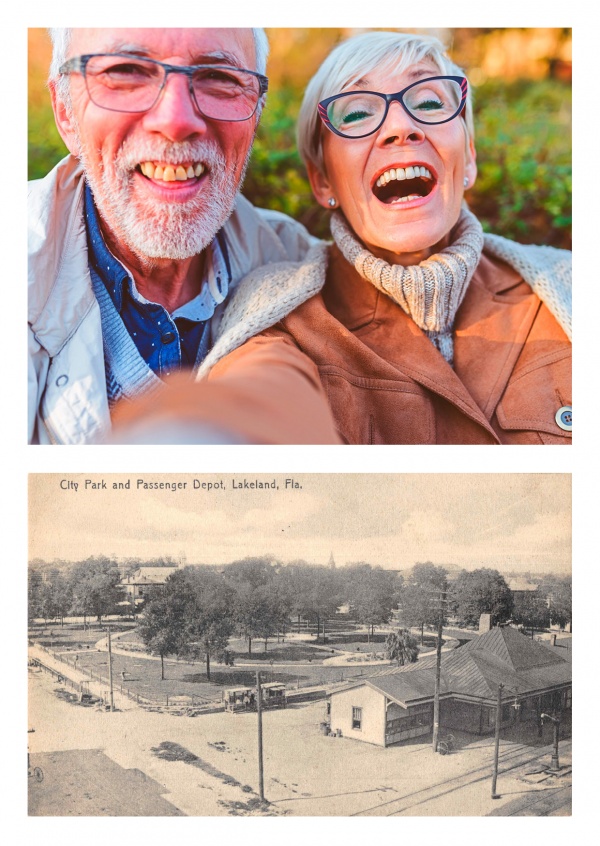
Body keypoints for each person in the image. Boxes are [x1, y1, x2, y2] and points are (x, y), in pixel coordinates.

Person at [190, 31, 571, 444]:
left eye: (428, 103)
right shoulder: (279, 319)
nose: (402, 128)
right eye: (356, 114)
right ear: (322, 181)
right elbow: (257, 404)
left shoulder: (568, 286)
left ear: (470, 159)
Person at [28, 27, 339, 444]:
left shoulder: (300, 267)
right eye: (126, 72)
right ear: (65, 111)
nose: (175, 121)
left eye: (219, 78)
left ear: (256, 113)